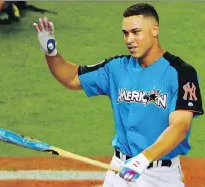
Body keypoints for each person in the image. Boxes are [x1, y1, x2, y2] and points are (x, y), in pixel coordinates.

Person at [33, 3, 204, 187]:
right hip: (119, 170)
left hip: (160, 175)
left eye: (136, 32)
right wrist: (51, 53)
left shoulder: (180, 73)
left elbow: (180, 126)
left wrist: (143, 159)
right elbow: (73, 77)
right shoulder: (116, 68)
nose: (129, 39)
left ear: (155, 30)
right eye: (125, 33)